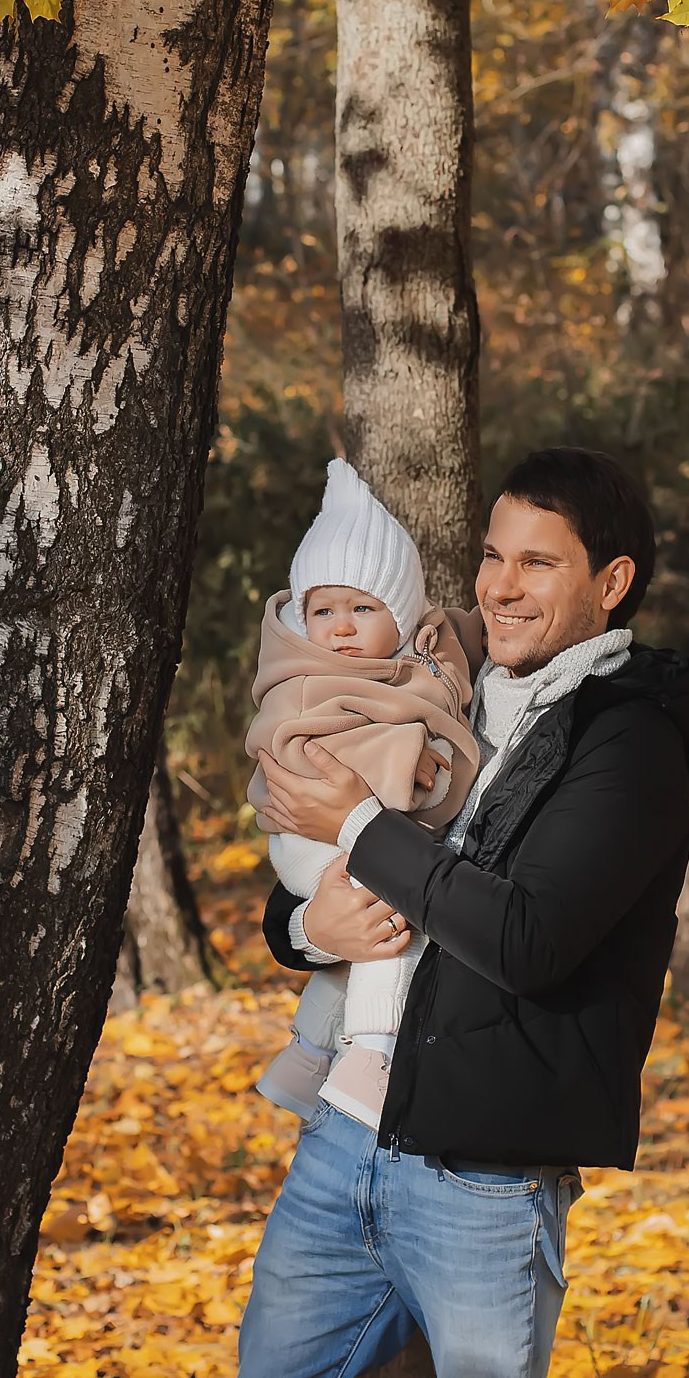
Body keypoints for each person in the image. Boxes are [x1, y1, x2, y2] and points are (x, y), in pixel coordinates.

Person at [231, 446, 689, 1378]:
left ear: (608, 583)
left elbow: (531, 934)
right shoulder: (447, 684)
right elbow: (328, 883)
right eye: (493, 555)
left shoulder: (627, 737)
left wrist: (367, 825)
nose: (503, 584)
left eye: (539, 561)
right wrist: (292, 925)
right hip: (344, 1141)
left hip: (483, 1168)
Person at [246, 460, 479, 1126]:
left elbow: (453, 650)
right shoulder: (305, 675)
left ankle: (308, 1053)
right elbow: (309, 745)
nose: (340, 627)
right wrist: (407, 758)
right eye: (323, 609)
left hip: (341, 826)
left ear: (401, 617)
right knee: (395, 911)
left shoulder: (400, 667)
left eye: (362, 608)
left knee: (359, 933)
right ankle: (370, 1055)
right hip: (307, 831)